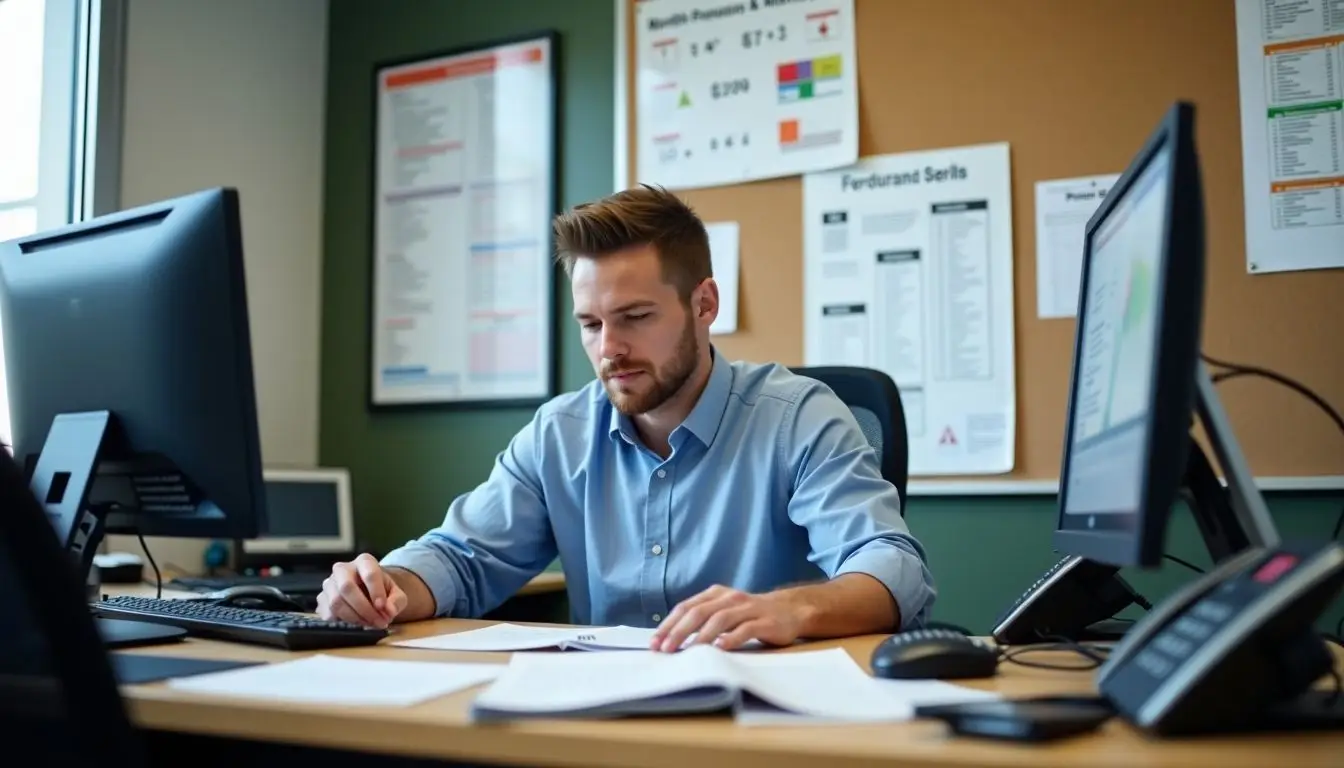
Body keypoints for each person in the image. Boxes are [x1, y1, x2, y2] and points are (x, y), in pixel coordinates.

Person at [317, 185, 936, 651]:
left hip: (761, 724)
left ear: (704, 303)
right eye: (591, 324)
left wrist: (793, 611)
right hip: (600, 725)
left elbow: (891, 566)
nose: (609, 349)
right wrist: (382, 588)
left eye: (636, 317)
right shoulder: (560, 435)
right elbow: (461, 559)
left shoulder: (798, 418)